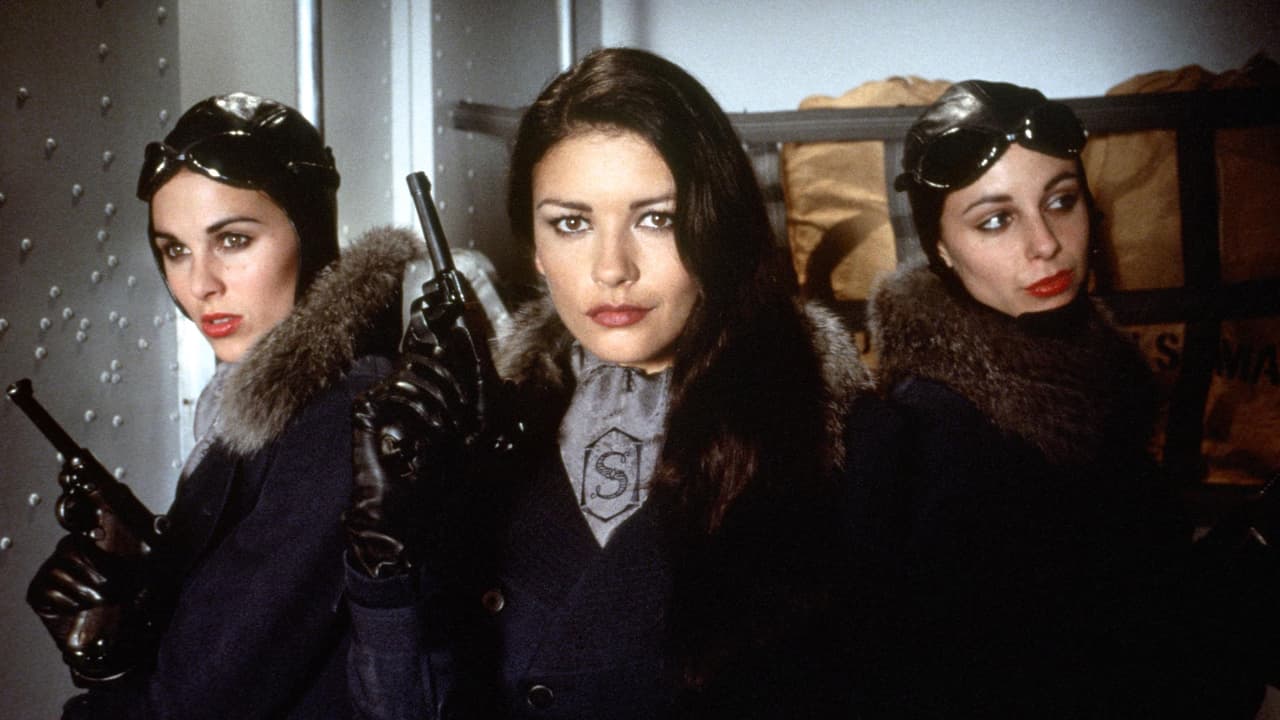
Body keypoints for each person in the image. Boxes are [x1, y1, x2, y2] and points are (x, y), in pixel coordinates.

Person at [341, 47, 872, 719]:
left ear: (717, 228)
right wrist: (390, 561)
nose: (612, 268)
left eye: (657, 218)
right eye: (572, 223)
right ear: (536, 249)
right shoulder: (495, 430)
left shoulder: (851, 444)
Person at [847, 79, 1279, 718]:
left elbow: (1142, 599)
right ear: (940, 249)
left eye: (1061, 201)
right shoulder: (939, 445)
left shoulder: (1085, 383)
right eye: (996, 220)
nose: (1046, 243)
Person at [25, 92, 419, 718]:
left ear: (311, 234)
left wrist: (105, 680)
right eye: (174, 249)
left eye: (233, 240)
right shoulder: (247, 400)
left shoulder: (343, 415)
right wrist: (127, 602)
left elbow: (197, 700)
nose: (200, 283)